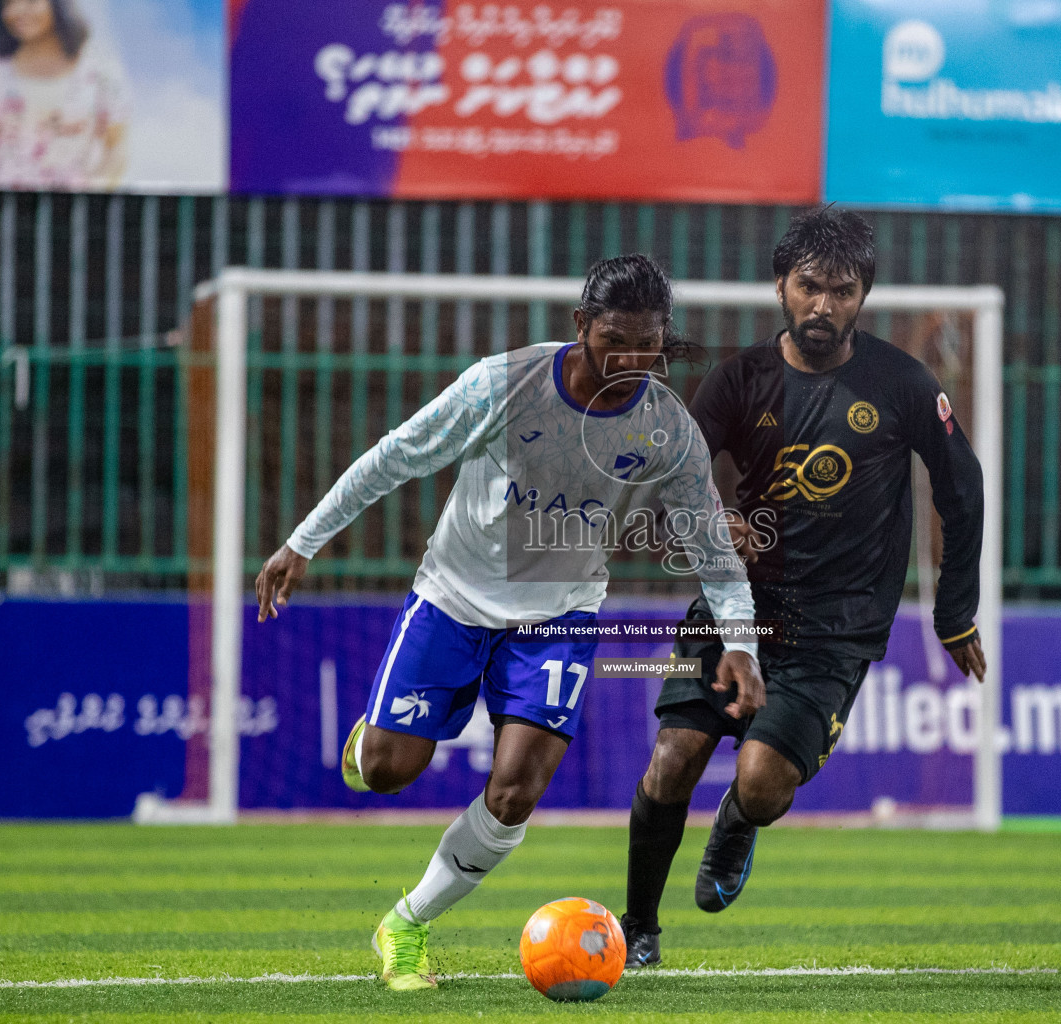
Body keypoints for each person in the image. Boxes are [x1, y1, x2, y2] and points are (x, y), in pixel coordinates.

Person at [254, 254, 763, 992]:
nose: (631, 358)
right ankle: (369, 742)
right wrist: (303, 541)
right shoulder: (503, 383)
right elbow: (397, 456)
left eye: (649, 343)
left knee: (516, 789)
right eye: (615, 338)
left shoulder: (667, 430)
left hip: (559, 615)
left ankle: (405, 925)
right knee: (389, 772)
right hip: (453, 599)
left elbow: (713, 549)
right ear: (580, 324)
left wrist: (742, 645)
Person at [619, 208, 987, 969]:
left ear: (864, 296)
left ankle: (740, 821)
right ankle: (640, 928)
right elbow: (670, 484)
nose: (824, 305)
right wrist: (712, 520)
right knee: (672, 759)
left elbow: (963, 488)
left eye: (842, 291)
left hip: (832, 628)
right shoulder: (738, 379)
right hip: (734, 609)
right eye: (809, 286)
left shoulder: (902, 384)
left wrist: (954, 612)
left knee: (759, 783)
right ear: (781, 286)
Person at [0, 0, 128, 190]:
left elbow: (117, 149)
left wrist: (93, 197)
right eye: (9, 3)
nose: (19, 10)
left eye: (31, 2)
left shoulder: (99, 67)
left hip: (69, 207)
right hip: (4, 208)